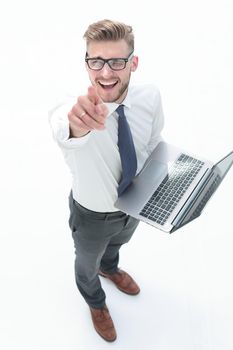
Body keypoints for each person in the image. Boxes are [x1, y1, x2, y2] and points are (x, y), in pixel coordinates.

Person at [49, 19, 164, 342]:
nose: (105, 72)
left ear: (133, 63)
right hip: (92, 217)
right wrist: (79, 124)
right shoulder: (71, 111)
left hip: (134, 204)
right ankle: (95, 301)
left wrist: (163, 183)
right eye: (96, 61)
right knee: (86, 264)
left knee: (117, 245)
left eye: (116, 61)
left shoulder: (150, 97)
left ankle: (110, 268)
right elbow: (67, 129)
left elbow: (154, 143)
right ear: (87, 63)